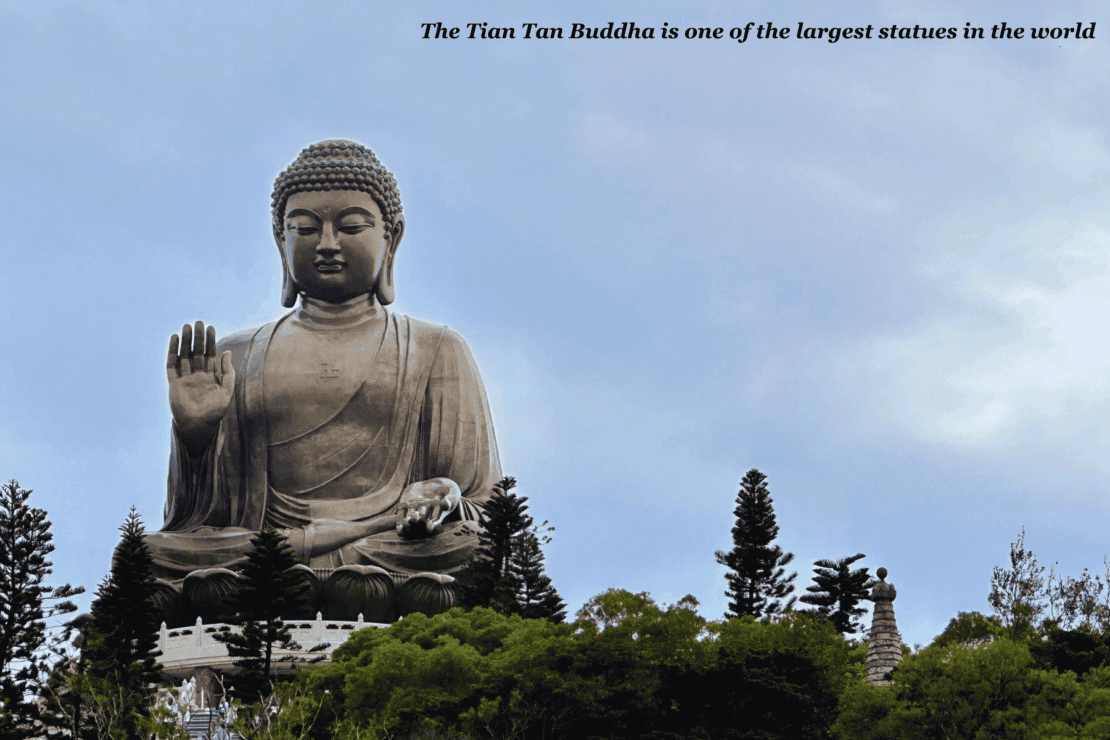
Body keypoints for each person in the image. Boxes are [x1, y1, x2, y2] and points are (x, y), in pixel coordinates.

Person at [146, 140, 502, 593]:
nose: (328, 244)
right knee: (150, 555)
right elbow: (197, 522)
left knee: (472, 546)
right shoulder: (236, 356)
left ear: (391, 238)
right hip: (264, 552)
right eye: (306, 229)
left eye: (352, 227)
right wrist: (196, 438)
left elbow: (483, 505)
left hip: (388, 549)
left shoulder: (436, 349)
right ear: (282, 239)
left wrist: (442, 497)